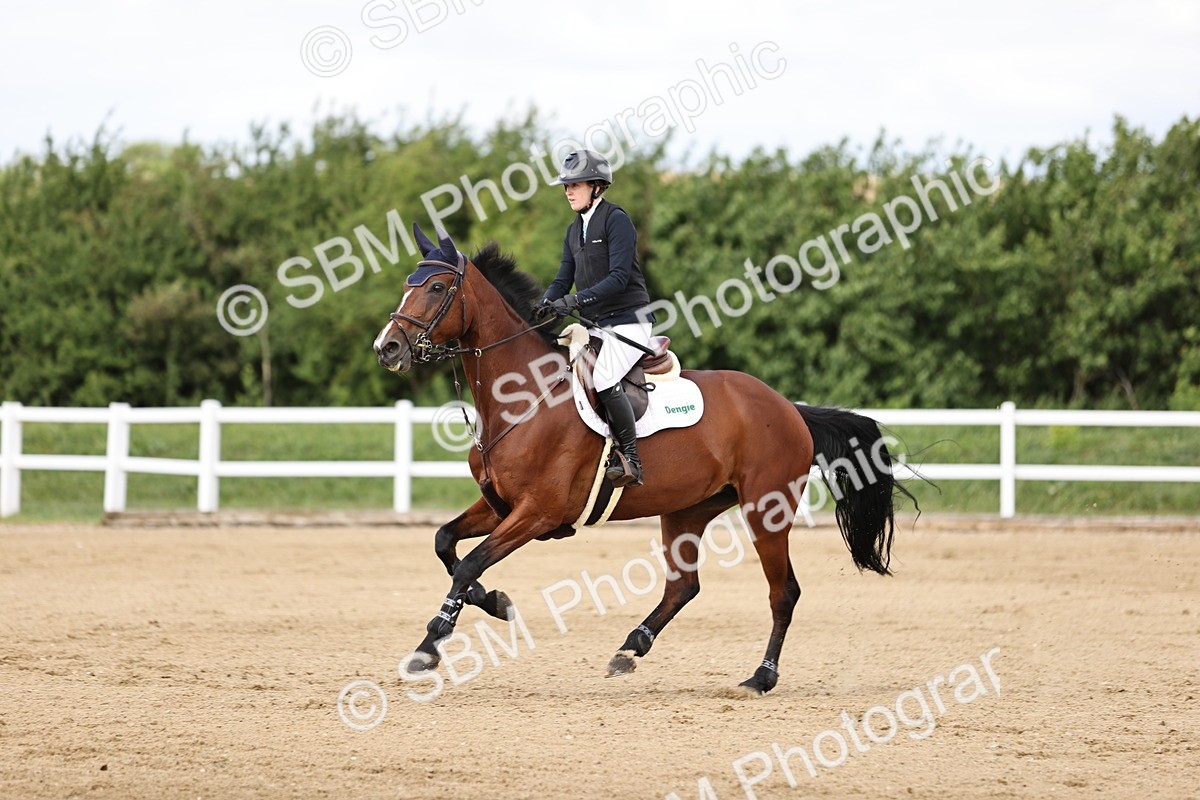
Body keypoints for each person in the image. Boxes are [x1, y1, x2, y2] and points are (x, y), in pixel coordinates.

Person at [535, 149, 653, 487]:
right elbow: (562, 278)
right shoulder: (574, 230)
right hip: (598, 328)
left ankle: (631, 459)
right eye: (566, 186)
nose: (569, 191)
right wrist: (545, 303)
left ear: (597, 186)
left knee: (601, 379)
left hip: (630, 322)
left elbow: (618, 278)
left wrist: (573, 300)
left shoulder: (616, 220)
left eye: (576, 184)